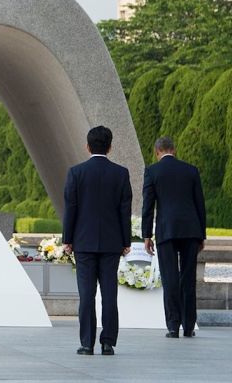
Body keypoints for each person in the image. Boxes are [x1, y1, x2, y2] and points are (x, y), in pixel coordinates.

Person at [63, 126, 132, 356]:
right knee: (109, 293)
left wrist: (67, 239)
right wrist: (126, 241)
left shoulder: (76, 173)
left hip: (83, 243)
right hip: (112, 243)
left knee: (87, 294)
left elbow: (70, 209)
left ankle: (86, 343)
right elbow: (125, 210)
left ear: (87, 146)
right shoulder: (121, 174)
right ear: (110, 147)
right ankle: (108, 342)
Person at [142, 136, 206, 338]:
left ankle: (173, 326)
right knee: (188, 278)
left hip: (166, 230)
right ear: (174, 150)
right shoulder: (191, 170)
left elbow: (148, 206)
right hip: (190, 230)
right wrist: (202, 234)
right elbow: (200, 205)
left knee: (170, 278)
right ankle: (188, 326)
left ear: (156, 152)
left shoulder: (152, 171)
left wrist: (146, 235)